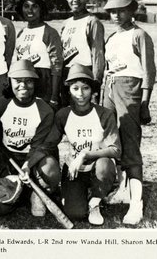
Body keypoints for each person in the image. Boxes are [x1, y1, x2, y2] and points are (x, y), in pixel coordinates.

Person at [103, 0, 156, 225]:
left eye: (121, 10)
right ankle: (123, 188)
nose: (116, 15)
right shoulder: (112, 37)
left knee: (131, 142)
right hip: (109, 88)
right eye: (112, 11)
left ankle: (136, 204)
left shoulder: (139, 35)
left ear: (131, 10)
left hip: (129, 88)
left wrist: (144, 101)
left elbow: (148, 71)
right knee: (112, 140)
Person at [49, 63, 121, 225]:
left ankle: (96, 200)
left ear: (92, 90)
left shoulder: (104, 114)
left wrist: (85, 154)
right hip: (76, 168)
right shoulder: (63, 114)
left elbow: (115, 150)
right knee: (75, 213)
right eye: (75, 88)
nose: (80, 94)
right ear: (68, 90)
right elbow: (49, 143)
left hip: (98, 165)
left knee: (105, 166)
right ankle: (82, 193)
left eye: (85, 88)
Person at [0, 60, 60, 217]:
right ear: (9, 81)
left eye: (28, 81)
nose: (23, 85)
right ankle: (23, 191)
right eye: (18, 81)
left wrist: (28, 165)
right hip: (9, 158)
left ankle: (37, 191)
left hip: (34, 158)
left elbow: (40, 145)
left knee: (50, 170)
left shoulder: (44, 109)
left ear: (35, 83)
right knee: (0, 209)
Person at [13, 0, 63, 108]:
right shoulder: (21, 33)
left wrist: (54, 97)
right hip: (24, 83)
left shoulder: (49, 32)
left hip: (43, 82)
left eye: (35, 6)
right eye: (26, 6)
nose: (30, 10)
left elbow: (57, 66)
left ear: (42, 9)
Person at [61, 0, 105, 106]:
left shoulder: (92, 21)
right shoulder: (66, 23)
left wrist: (95, 84)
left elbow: (98, 55)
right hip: (67, 75)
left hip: (85, 75)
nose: (75, 0)